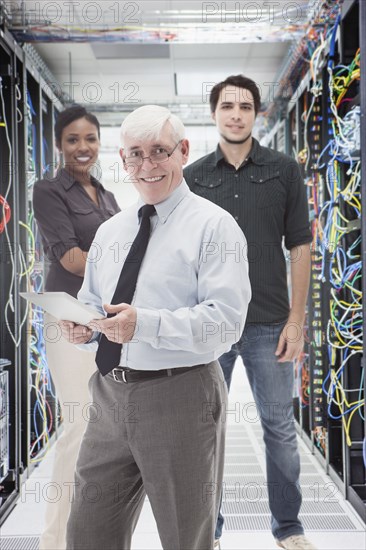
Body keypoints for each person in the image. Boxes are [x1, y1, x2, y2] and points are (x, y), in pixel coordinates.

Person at [59, 105, 251, 550]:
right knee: (88, 533)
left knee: (187, 537)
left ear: (183, 152)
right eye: (136, 154)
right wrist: (86, 328)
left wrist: (144, 325)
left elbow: (226, 323)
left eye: (160, 151)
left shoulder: (214, 227)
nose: (147, 166)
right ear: (123, 160)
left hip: (180, 395)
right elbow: (94, 301)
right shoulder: (111, 231)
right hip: (109, 395)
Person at [184, 75, 315, 550]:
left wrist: (297, 321)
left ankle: (289, 528)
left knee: (279, 427)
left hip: (269, 324)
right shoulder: (194, 176)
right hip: (210, 326)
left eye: (244, 106)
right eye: (226, 106)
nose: (235, 114)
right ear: (214, 112)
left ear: (258, 113)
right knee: (205, 432)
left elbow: (300, 246)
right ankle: (208, 532)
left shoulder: (283, 170)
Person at [32, 105, 120, 550]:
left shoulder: (105, 195)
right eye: (72, 140)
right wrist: (126, 269)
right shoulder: (48, 190)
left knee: (103, 427)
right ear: (58, 144)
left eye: (90, 139)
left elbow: (126, 247)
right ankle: (54, 541)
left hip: (101, 318)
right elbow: (69, 258)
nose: (82, 148)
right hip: (66, 313)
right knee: (78, 424)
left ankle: (87, 536)